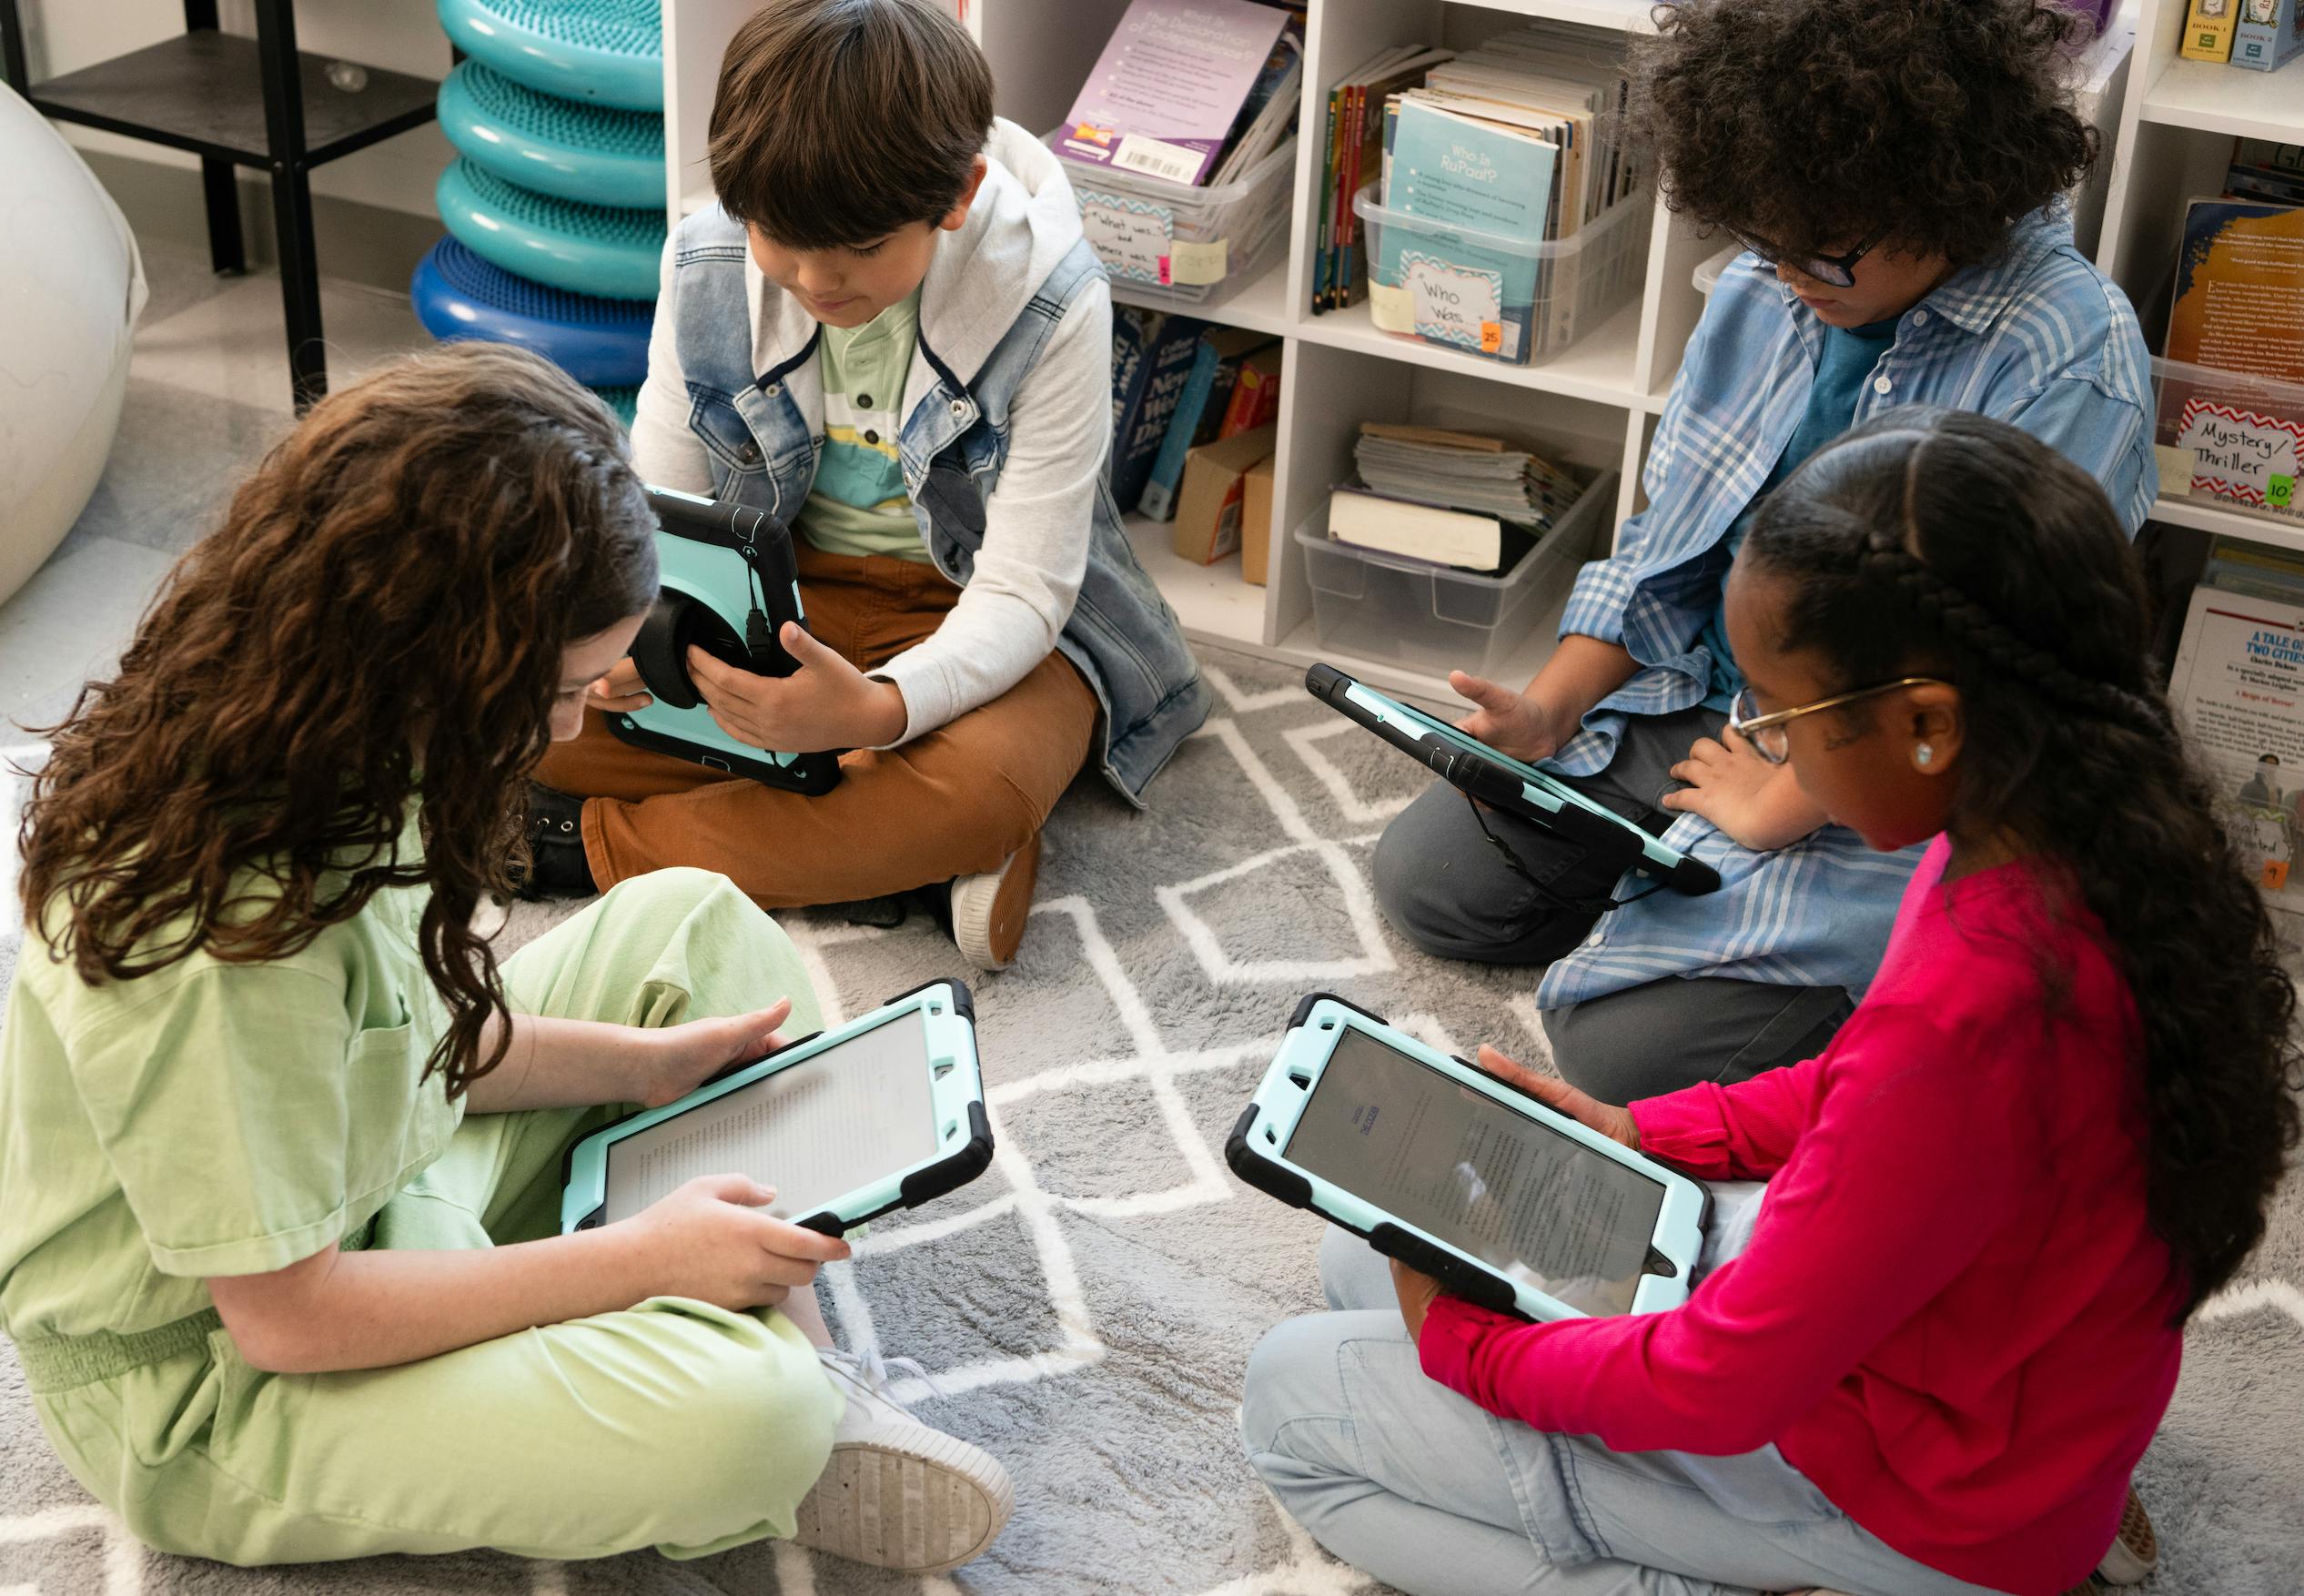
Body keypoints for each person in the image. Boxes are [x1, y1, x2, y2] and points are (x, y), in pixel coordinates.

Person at [1244, 408, 2300, 1596]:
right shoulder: (2052, 833)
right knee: (1389, 1255)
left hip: (1923, 1500)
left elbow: (1718, 1384)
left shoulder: (1972, 1010)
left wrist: (1466, 1349)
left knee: (1295, 1395)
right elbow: (1850, 1097)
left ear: (1927, 722)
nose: (1763, 744)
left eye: (1780, 715)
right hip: (1998, 1403)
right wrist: (1643, 1130)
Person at [0, 346, 1009, 1575]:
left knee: (696, 923)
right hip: (230, 1381)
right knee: (754, 1423)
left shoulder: (348, 742)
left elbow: (400, 1032)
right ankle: (785, 1377)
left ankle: (724, 1306)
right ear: (438, 660)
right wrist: (635, 1261)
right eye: (567, 687)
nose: (581, 722)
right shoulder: (219, 935)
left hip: (378, 1175)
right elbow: (288, 1318)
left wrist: (648, 1064)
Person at [1371, 0, 2157, 1103]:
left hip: (1908, 769)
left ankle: (1722, 907)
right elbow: (1671, 539)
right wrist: (1548, 709)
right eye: (1765, 246)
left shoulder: (2067, 362)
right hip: (1721, 693)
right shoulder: (1773, 277)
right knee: (1436, 886)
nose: (1788, 279)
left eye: (1823, 256)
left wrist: (1780, 803)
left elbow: (1964, 682)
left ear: (1949, 195)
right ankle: (1673, 879)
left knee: (1623, 1054)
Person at [524, 0, 1208, 971]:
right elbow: (661, 507)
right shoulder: (708, 255)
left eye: (857, 253)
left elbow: (1025, 591)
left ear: (960, 195)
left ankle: (584, 849)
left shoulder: (1053, 301)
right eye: (779, 239)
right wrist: (637, 633)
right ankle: (901, 863)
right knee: (536, 713)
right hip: (783, 593)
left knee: (980, 789)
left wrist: (880, 711)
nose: (813, 280)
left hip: (988, 611)